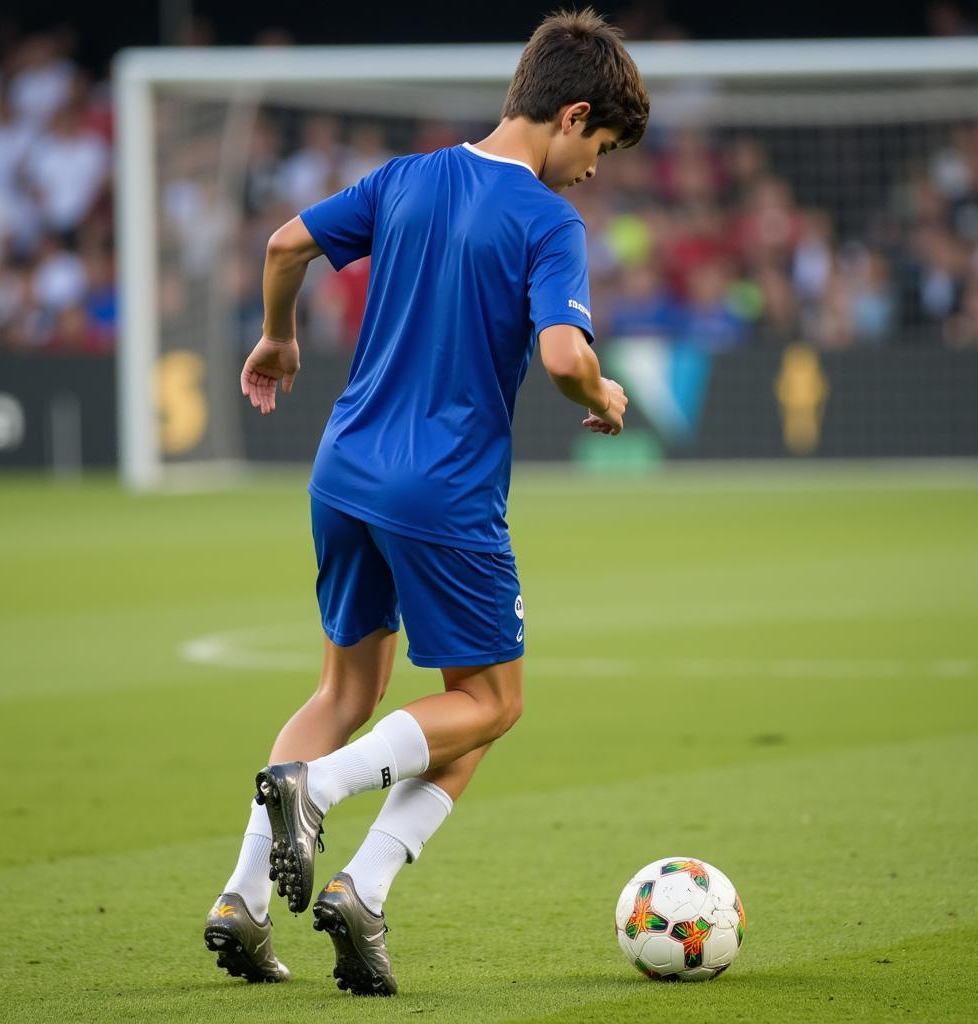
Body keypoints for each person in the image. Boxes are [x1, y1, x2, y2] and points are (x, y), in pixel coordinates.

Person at [203, 7, 648, 996]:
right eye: (601, 148)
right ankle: (332, 818)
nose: (593, 172)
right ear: (572, 115)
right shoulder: (545, 218)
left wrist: (277, 337)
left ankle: (246, 897)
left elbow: (283, 246)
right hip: (441, 489)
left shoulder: (407, 176)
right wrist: (603, 397)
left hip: (344, 470)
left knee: (345, 689)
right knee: (489, 704)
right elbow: (566, 354)